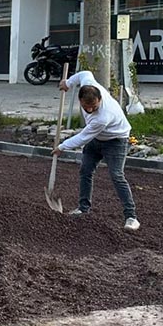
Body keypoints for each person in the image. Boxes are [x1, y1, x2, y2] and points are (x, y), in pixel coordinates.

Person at [53, 70, 140, 231]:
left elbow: (83, 137)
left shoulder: (103, 117)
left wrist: (62, 147)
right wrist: (69, 83)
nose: (91, 110)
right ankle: (83, 209)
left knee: (117, 175)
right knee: (85, 170)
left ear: (100, 99)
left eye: (94, 107)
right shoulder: (88, 84)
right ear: (80, 101)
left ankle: (131, 217)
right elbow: (84, 73)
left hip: (116, 141)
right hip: (97, 139)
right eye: (87, 108)